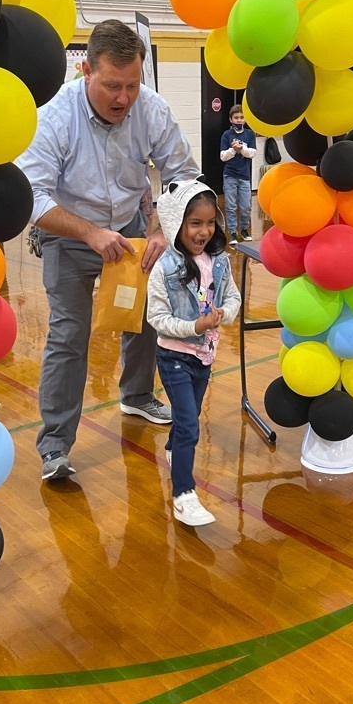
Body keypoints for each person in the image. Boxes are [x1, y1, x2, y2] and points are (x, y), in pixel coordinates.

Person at [17, 19, 200, 482]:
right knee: (69, 335)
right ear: (86, 71)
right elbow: (31, 197)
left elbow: (183, 175)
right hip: (69, 231)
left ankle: (136, 397)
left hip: (130, 228)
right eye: (113, 86)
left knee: (144, 317)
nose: (124, 98)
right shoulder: (54, 117)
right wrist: (89, 233)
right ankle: (55, 445)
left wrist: (160, 230)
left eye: (132, 85)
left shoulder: (151, 109)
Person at [147, 179, 241, 526]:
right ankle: (183, 495)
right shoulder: (164, 268)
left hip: (205, 357)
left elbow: (233, 297)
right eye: (195, 223)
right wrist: (194, 326)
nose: (204, 231)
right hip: (174, 357)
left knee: (189, 417)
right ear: (176, 223)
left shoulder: (219, 261)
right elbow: (156, 318)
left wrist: (223, 314)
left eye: (210, 222)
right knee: (189, 423)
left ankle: (174, 451)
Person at [219, 104, 257, 245]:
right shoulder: (227, 135)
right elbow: (223, 157)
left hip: (245, 176)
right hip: (230, 175)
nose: (239, 120)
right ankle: (233, 233)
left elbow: (252, 153)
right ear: (231, 119)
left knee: (246, 206)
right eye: (236, 117)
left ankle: (245, 229)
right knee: (231, 206)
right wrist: (233, 150)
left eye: (241, 117)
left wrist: (242, 149)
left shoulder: (250, 134)